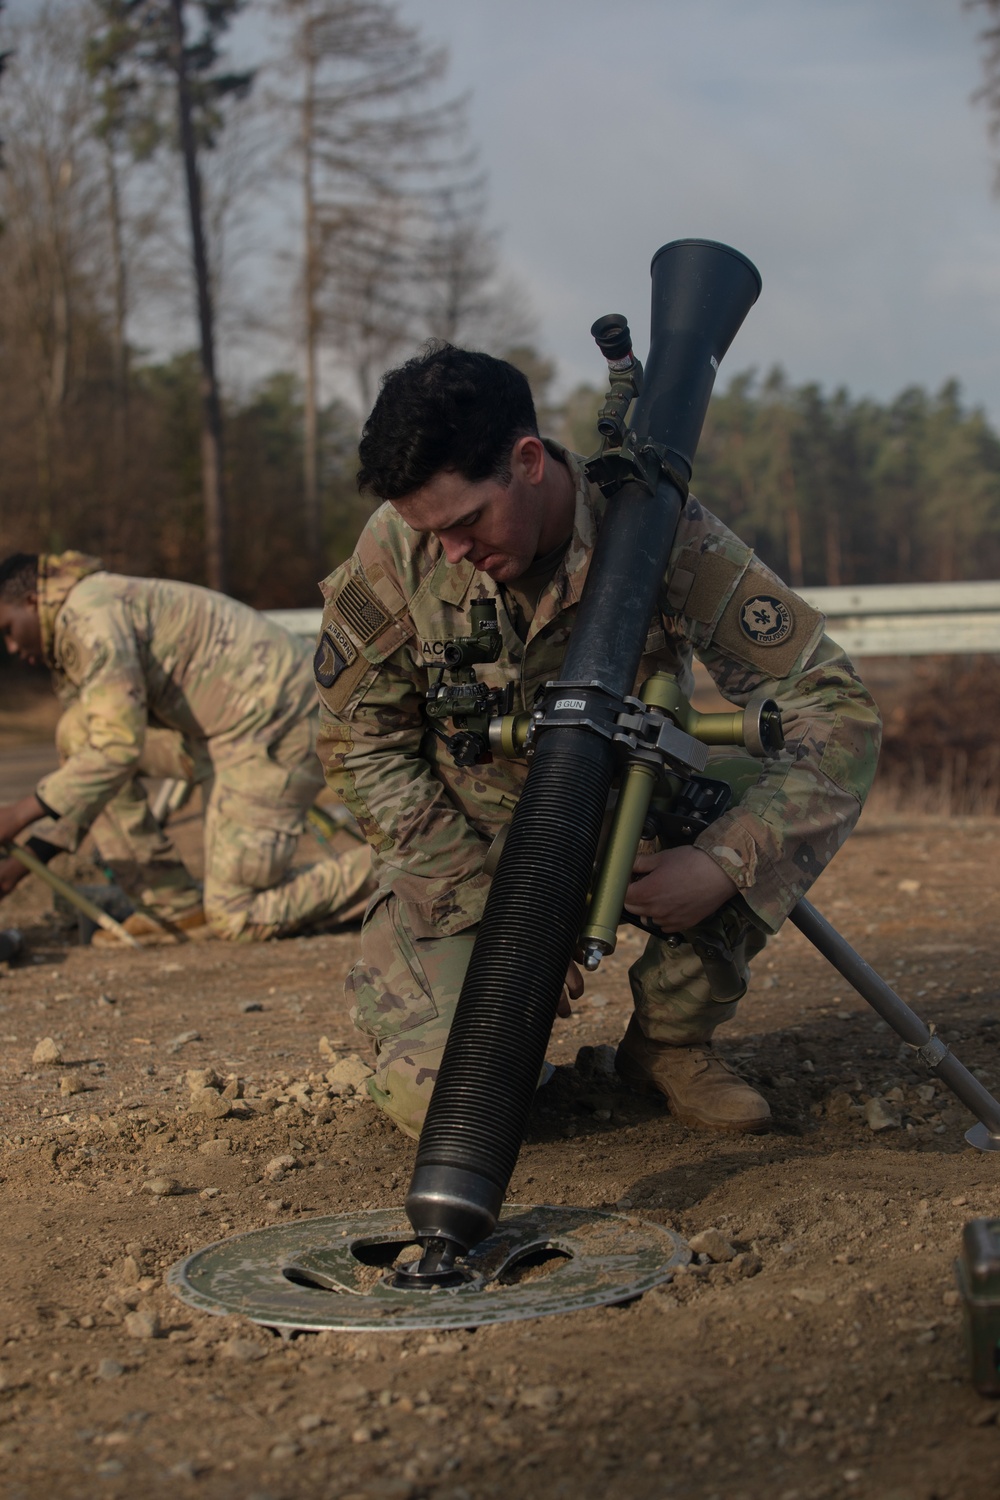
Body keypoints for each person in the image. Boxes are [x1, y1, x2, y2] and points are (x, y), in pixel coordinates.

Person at [315, 345, 881, 1139]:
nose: (452, 554)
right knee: (448, 1103)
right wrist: (506, 924)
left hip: (630, 824)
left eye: (468, 521)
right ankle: (510, 1054)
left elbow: (836, 710)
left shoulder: (657, 529)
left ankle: (670, 1044)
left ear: (528, 460)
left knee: (762, 796)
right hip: (469, 851)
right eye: (430, 532)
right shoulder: (397, 549)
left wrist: (723, 862)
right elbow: (356, 739)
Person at [0, 552, 372, 942]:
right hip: (218, 732)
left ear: (32, 602)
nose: (10, 646)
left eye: (7, 629)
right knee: (78, 735)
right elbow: (95, 763)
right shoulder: (83, 615)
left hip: (276, 723)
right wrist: (22, 864)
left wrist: (17, 814)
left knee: (235, 916)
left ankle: (414, 860)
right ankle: (172, 904)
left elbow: (115, 751)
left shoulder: (90, 615)